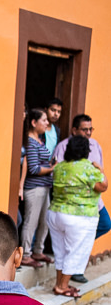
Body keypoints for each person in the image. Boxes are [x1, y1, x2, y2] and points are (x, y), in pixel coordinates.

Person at [54, 113, 111, 283]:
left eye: (90, 129)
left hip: (93, 202)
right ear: (74, 130)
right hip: (73, 204)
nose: (88, 132)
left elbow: (99, 178)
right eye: (84, 129)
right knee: (76, 241)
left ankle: (75, 258)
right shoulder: (63, 147)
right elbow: (60, 174)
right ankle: (72, 272)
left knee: (105, 224)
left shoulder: (95, 145)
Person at [48, 135, 108, 297]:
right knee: (75, 252)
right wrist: (101, 170)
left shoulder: (60, 167)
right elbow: (102, 186)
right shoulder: (88, 169)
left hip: (56, 214)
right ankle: (63, 286)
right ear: (86, 151)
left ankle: (59, 284)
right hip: (79, 216)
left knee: (60, 251)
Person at [20, 109, 56, 268]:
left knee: (45, 221)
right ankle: (25, 254)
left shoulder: (39, 140)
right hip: (34, 189)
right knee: (31, 222)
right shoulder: (30, 141)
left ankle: (38, 251)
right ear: (34, 123)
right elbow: (33, 169)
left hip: (44, 187)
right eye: (44, 120)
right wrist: (52, 168)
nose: (47, 123)